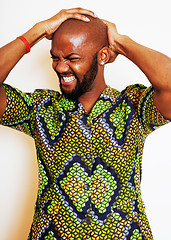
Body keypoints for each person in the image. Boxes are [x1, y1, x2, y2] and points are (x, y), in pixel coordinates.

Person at [0, 7, 170, 240]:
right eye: (55, 58)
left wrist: (121, 42)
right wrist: (37, 31)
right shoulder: (40, 109)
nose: (60, 67)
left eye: (72, 58)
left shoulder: (133, 107)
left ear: (101, 56)